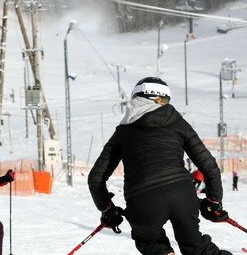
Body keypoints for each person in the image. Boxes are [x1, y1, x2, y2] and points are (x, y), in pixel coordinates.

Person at [88, 77, 231, 255]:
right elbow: (209, 166)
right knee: (197, 248)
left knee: (151, 244)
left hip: (142, 200)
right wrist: (214, 202)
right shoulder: (179, 123)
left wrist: (107, 209)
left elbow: (95, 179)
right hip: (182, 194)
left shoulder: (123, 132)